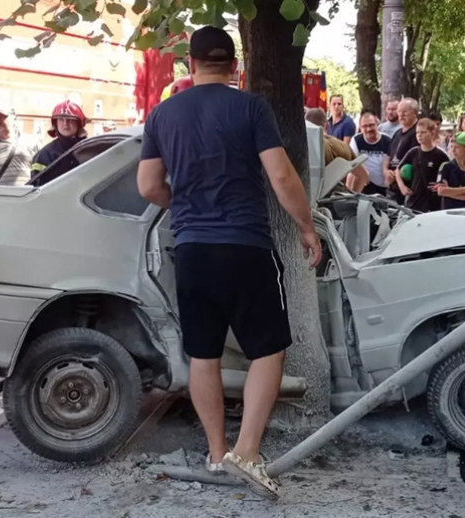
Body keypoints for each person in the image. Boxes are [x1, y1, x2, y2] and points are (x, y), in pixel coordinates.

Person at [137, 26, 321, 500]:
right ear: (235, 66)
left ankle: (217, 452)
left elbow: (148, 187)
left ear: (190, 65)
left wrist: (183, 201)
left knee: (204, 354)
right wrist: (305, 226)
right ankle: (248, 450)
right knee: (268, 349)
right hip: (248, 247)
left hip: (194, 249)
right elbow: (280, 174)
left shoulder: (162, 115)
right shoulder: (250, 108)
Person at [394, 118, 448, 212]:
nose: (419, 135)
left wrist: (442, 186)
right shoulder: (413, 152)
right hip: (414, 201)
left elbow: (449, 173)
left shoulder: (440, 155)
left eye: (423, 132)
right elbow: (397, 169)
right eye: (417, 132)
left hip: (432, 203)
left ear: (432, 133)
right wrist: (402, 187)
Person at [31, 100, 90, 177]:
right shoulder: (44, 155)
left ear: (78, 123)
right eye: (61, 120)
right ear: (56, 124)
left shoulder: (90, 149)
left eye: (70, 119)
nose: (65, 124)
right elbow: (37, 186)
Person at [384, 98, 421, 205]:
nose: (401, 115)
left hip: (408, 187)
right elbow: (388, 156)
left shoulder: (418, 133)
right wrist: (386, 171)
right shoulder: (397, 133)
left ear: (414, 112)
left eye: (405, 111)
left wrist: (399, 178)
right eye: (399, 111)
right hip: (393, 188)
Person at [350, 111, 392, 196]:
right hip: (365, 184)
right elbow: (352, 162)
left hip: (383, 187)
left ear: (377, 124)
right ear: (360, 128)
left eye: (371, 125)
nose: (368, 129)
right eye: (364, 126)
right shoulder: (356, 140)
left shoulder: (387, 140)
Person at [435, 132, 465, 210]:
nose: (453, 150)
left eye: (457, 147)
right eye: (451, 147)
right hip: (448, 211)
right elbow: (441, 191)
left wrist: (449, 192)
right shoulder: (446, 167)